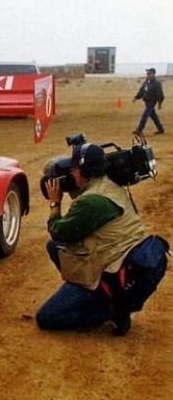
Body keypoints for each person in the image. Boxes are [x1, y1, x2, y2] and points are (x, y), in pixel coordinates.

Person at [36, 143, 145, 336]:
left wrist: (55, 202)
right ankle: (84, 293)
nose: (72, 174)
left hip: (111, 275)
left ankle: (111, 310)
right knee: (55, 247)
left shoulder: (92, 202)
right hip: (122, 259)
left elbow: (59, 231)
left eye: (73, 169)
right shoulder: (107, 183)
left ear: (85, 170)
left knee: (47, 317)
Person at [133, 67, 165, 135]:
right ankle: (161, 129)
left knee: (145, 116)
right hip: (146, 101)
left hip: (152, 102)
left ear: (153, 74)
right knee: (154, 116)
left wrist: (160, 103)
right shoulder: (147, 82)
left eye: (149, 73)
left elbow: (160, 94)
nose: (147, 74)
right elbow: (142, 91)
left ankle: (139, 130)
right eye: (147, 73)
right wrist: (136, 97)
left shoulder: (157, 83)